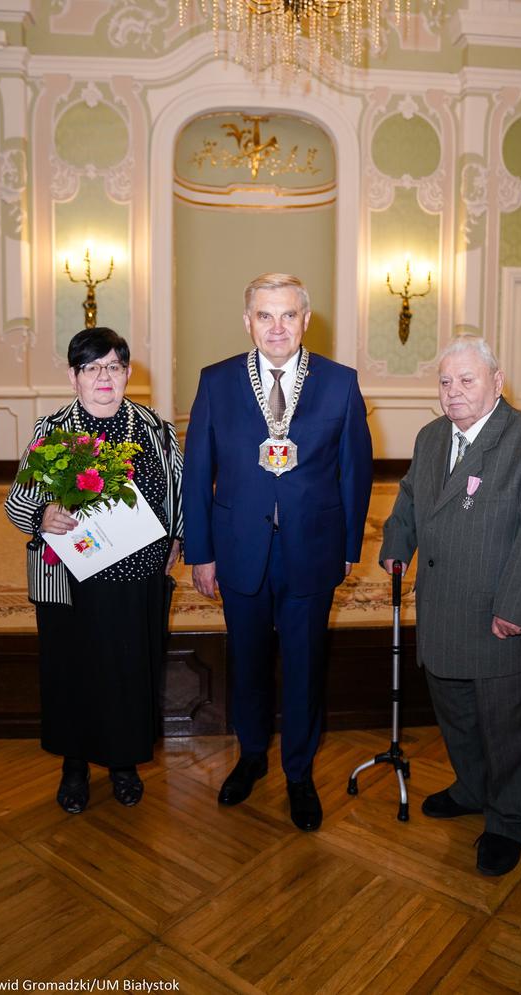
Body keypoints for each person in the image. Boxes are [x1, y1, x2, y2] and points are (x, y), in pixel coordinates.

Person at [380, 335, 521, 875]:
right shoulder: (430, 437)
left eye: (467, 380)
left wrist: (517, 606)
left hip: (503, 619)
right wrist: (398, 546)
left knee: (512, 726)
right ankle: (472, 787)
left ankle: (510, 822)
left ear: (497, 382)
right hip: (444, 612)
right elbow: (411, 497)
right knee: (459, 715)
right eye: (445, 381)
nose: (453, 392)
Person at [182, 273, 373, 831]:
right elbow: (198, 473)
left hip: (312, 550)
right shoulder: (216, 381)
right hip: (238, 549)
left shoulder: (339, 383)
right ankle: (251, 756)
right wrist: (201, 552)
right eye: (264, 315)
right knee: (246, 662)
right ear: (248, 322)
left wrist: (347, 547)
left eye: (287, 315)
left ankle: (298, 772)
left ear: (305, 321)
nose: (276, 327)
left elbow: (354, 474)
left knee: (306, 665)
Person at [5, 327, 183, 814]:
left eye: (113, 366)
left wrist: (179, 539)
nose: (103, 376)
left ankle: (123, 763)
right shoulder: (52, 431)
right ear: (73, 376)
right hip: (69, 581)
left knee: (131, 670)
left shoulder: (156, 429)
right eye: (91, 367)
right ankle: (75, 765)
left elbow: (180, 495)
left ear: (128, 373)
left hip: (138, 580)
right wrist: (42, 516)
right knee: (71, 671)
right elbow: (17, 502)